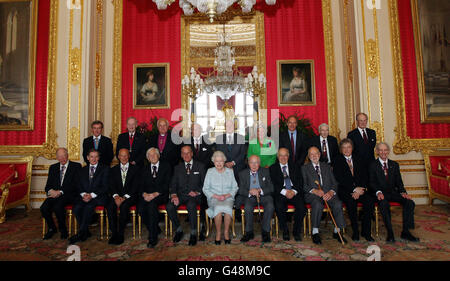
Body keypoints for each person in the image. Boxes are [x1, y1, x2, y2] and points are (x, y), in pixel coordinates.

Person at [369, 142, 419, 243]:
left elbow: (399, 182)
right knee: (384, 204)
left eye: (385, 150)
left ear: (388, 151)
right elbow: (371, 182)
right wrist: (378, 192)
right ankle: (390, 233)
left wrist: (403, 192)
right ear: (377, 152)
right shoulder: (372, 165)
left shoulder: (394, 165)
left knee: (410, 203)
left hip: (393, 192)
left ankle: (406, 232)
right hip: (380, 194)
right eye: (381, 150)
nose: (383, 152)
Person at [302, 146, 347, 245]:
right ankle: (315, 231)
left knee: (338, 204)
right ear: (309, 156)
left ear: (319, 154)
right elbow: (303, 185)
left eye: (316, 153)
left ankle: (337, 231)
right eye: (311, 154)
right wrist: (314, 191)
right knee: (318, 205)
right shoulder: (304, 168)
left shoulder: (326, 166)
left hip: (328, 194)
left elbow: (335, 183)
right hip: (313, 195)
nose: (314, 156)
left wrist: (331, 192)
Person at [333, 139, 375, 242]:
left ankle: (366, 231)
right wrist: (354, 189)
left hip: (360, 189)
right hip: (346, 190)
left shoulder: (359, 159)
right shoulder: (337, 160)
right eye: (344, 147)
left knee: (369, 202)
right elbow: (339, 178)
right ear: (341, 149)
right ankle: (355, 231)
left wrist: (361, 189)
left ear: (352, 148)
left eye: (349, 147)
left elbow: (365, 176)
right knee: (351, 203)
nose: (346, 149)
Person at [167, 145, 206, 246]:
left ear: (192, 153)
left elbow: (205, 184)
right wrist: (174, 195)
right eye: (184, 153)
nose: (186, 155)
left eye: (188, 152)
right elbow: (173, 184)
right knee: (170, 206)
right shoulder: (177, 167)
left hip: (194, 196)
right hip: (181, 196)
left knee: (191, 205)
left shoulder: (200, 166)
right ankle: (179, 230)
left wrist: (197, 192)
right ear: (181, 155)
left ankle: (193, 233)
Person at [70, 149, 109, 244]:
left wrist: (91, 195)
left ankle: (81, 233)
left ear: (99, 158)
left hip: (98, 196)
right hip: (84, 196)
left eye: (96, 156)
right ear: (87, 158)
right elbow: (78, 185)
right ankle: (86, 232)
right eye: (91, 156)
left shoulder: (105, 169)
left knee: (88, 207)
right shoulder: (82, 170)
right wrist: (84, 194)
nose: (94, 159)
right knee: (77, 208)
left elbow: (105, 186)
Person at [41, 148, 81, 240]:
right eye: (59, 156)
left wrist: (60, 192)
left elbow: (76, 185)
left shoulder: (76, 166)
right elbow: (48, 186)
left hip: (69, 195)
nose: (62, 158)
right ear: (57, 157)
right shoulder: (53, 167)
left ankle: (63, 230)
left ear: (67, 155)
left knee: (58, 207)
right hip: (54, 195)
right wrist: (51, 191)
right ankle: (52, 228)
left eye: (64, 156)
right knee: (44, 208)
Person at [202, 151, 238, 245]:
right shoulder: (210, 172)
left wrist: (227, 195)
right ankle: (218, 232)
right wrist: (216, 196)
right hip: (214, 198)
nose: (219, 163)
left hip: (228, 198)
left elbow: (235, 187)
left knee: (227, 208)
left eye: (221, 161)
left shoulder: (230, 172)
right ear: (213, 162)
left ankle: (226, 232)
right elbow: (205, 189)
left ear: (224, 162)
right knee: (218, 208)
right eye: (216, 161)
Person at [270, 148, 305, 241]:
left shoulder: (296, 166)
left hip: (294, 191)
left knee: (302, 207)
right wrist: (285, 192)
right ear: (278, 157)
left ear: (288, 156)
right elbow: (273, 184)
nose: (283, 157)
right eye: (281, 155)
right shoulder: (273, 168)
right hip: (281, 192)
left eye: (285, 155)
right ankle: (285, 230)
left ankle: (296, 231)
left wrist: (293, 191)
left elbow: (300, 182)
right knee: (278, 206)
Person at [139, 148, 172, 248]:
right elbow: (140, 185)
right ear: (148, 158)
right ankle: (155, 228)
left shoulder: (166, 166)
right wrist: (144, 194)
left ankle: (152, 238)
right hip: (147, 195)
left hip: (160, 195)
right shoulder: (144, 168)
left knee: (151, 207)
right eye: (150, 155)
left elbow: (167, 184)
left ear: (158, 156)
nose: (153, 157)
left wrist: (154, 195)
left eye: (154, 154)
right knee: (140, 208)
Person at [238, 155, 275, 243]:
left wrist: (260, 190)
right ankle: (249, 232)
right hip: (250, 196)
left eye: (256, 162)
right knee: (247, 207)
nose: (254, 165)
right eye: (252, 162)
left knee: (270, 206)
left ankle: (265, 232)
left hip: (264, 195)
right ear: (248, 163)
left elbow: (271, 187)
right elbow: (240, 189)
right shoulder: (242, 173)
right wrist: (250, 192)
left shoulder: (265, 171)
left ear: (259, 163)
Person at [106, 149, 139, 245]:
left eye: (126, 155)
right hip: (116, 196)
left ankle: (120, 234)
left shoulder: (135, 169)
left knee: (124, 207)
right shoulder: (113, 170)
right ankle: (114, 233)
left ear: (129, 156)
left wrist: (124, 198)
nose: (124, 158)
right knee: (110, 207)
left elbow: (136, 186)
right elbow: (111, 185)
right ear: (118, 157)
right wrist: (116, 197)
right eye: (121, 155)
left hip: (130, 196)